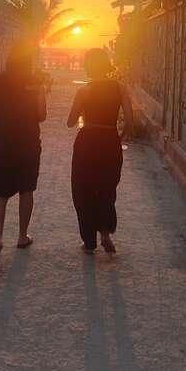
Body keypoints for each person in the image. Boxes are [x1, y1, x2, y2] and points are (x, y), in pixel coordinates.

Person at [0, 40, 47, 271]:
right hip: (28, 144)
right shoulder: (35, 82)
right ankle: (22, 236)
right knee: (27, 190)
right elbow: (42, 115)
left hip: (3, 144)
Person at [67, 48, 133, 254]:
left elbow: (70, 121)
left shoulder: (84, 91)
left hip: (87, 143)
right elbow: (130, 121)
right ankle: (105, 234)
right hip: (110, 140)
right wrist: (119, 138)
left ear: (89, 66)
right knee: (107, 188)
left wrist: (84, 112)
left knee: (83, 189)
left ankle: (89, 242)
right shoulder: (120, 88)